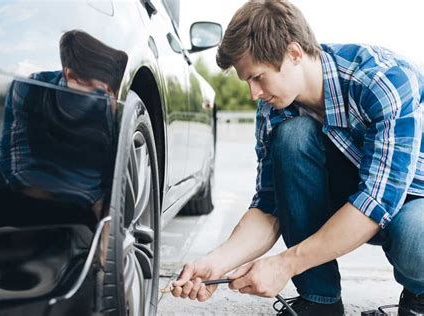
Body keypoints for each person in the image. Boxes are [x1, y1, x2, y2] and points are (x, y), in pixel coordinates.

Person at [172, 1, 424, 315]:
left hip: (412, 199)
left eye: (258, 78)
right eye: (246, 82)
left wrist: (284, 265)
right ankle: (320, 302)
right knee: (292, 134)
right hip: (353, 201)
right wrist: (216, 263)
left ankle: (420, 294)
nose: (253, 94)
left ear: (293, 54)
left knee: (416, 239)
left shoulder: (382, 80)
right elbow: (269, 206)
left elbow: (377, 202)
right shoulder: (274, 109)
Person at [0, 30, 128, 228]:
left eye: (112, 90)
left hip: (74, 194)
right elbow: (18, 172)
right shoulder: (30, 89)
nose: (109, 98)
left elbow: (111, 176)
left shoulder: (109, 102)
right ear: (71, 76)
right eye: (100, 89)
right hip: (16, 194)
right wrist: (93, 200)